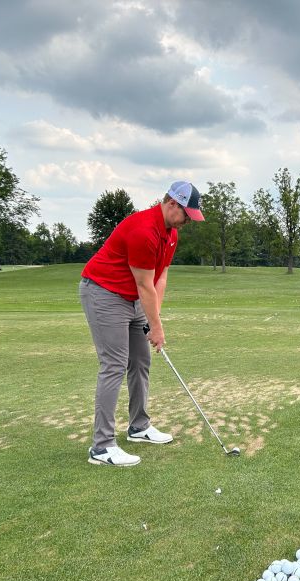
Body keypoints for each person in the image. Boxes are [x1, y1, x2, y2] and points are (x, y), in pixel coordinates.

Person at [79, 181, 205, 466]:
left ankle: (139, 426)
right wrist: (157, 328)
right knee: (114, 364)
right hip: (104, 292)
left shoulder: (171, 234)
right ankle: (102, 447)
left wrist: (153, 318)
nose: (187, 221)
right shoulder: (143, 230)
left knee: (140, 360)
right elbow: (145, 284)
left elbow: (161, 277)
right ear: (172, 204)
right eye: (186, 215)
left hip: (132, 296)